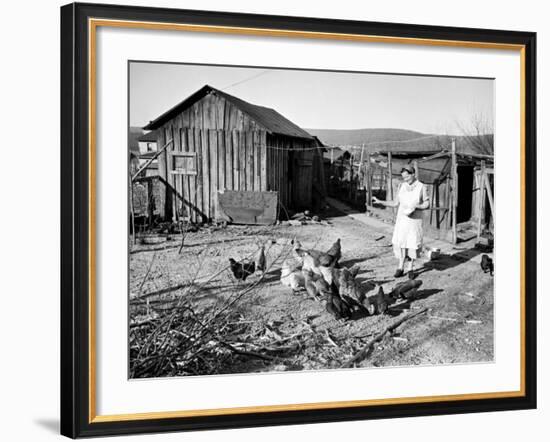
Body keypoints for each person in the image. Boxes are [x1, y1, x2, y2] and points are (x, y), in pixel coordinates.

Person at [372, 165, 430, 277]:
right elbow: (395, 203)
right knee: (402, 243)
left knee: (412, 243)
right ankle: (400, 267)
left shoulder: (421, 187)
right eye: (404, 178)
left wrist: (417, 207)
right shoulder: (402, 186)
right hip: (402, 220)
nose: (406, 180)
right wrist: (380, 201)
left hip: (414, 220)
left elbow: (427, 204)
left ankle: (410, 268)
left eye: (407, 177)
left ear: (413, 174)